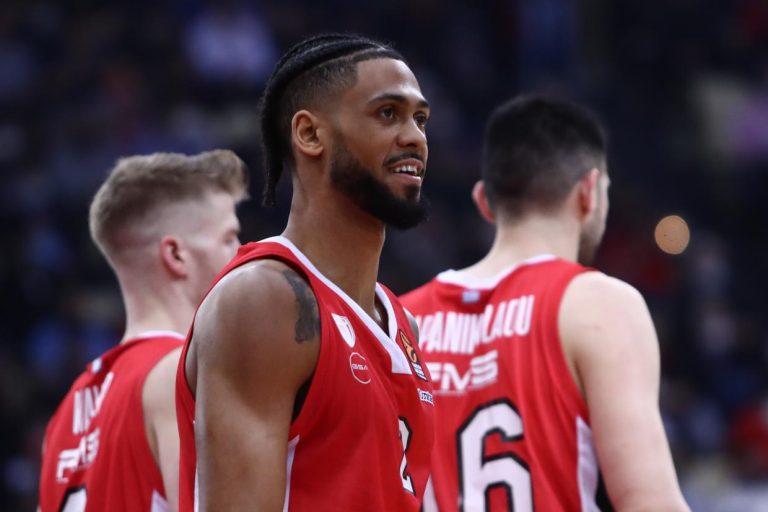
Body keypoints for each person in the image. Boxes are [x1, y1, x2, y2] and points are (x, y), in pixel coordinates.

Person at [176, 33, 435, 512]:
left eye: (420, 119)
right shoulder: (264, 299)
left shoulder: (403, 325)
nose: (414, 137)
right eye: (387, 114)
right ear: (310, 135)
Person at [401, 96, 691, 511]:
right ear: (589, 193)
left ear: (484, 201)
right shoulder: (599, 305)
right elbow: (650, 503)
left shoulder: (400, 319)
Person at [38, 150, 247, 512]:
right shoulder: (181, 375)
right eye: (229, 238)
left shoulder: (64, 414)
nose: (242, 253)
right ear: (176, 255)